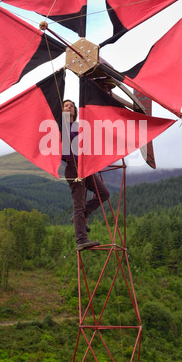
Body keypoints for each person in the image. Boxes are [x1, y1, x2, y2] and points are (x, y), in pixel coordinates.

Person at [62, 99, 110, 251]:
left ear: (75, 111)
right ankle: (81, 239)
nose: (69, 107)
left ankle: (83, 215)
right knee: (78, 204)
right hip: (74, 169)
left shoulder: (78, 126)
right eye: (66, 106)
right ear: (62, 110)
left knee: (104, 193)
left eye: (71, 106)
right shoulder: (59, 127)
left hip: (85, 167)